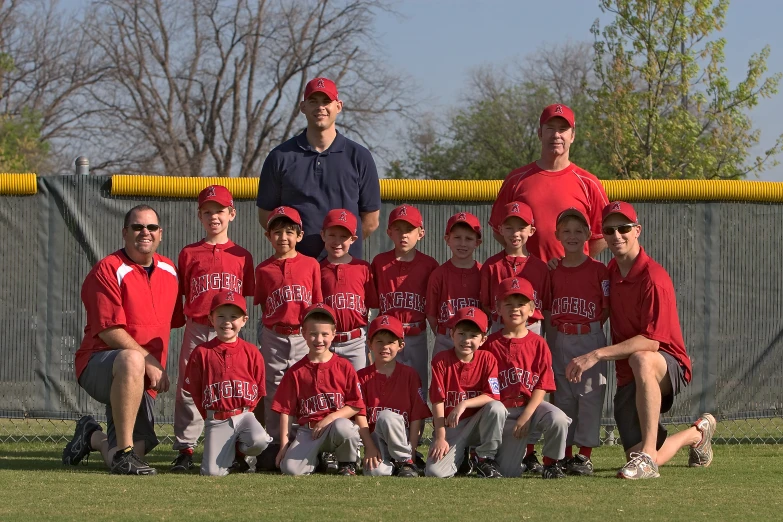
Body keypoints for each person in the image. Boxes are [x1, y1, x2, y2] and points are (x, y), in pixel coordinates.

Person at [565, 201, 716, 479]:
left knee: (642, 357)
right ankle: (696, 434)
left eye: (623, 228)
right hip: (629, 374)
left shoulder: (653, 278)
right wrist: (559, 264)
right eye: (609, 230)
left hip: (666, 364)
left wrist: (596, 354)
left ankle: (647, 456)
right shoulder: (609, 271)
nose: (616, 235)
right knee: (635, 457)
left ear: (638, 230)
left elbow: (651, 342)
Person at [62, 205, 184, 475]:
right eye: (138, 227)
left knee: (120, 454)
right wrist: (149, 359)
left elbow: (173, 323)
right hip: (99, 362)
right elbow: (108, 331)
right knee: (131, 358)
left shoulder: (170, 271)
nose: (145, 232)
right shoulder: (108, 269)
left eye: (151, 227)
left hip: (143, 377)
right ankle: (126, 454)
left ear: (160, 234)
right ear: (125, 233)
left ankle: (92, 436)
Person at [171, 185, 255, 473]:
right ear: (199, 216)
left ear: (232, 213)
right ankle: (185, 449)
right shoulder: (189, 253)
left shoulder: (242, 256)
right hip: (198, 327)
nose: (213, 217)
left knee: (233, 388)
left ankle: (238, 450)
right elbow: (181, 294)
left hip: (231, 330)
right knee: (187, 388)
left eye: (219, 211)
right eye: (207, 212)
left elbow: (247, 299)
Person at [256, 77, 381, 260]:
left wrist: (337, 248)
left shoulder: (360, 156)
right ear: (303, 107)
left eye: (326, 101)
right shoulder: (280, 156)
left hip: (344, 269)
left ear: (338, 106)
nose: (320, 107)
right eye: (313, 101)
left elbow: (370, 221)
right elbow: (266, 216)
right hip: (296, 271)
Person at [488, 104, 609, 263]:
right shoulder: (516, 179)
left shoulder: (589, 182)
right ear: (540, 133)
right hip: (527, 278)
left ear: (572, 136)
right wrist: (525, 259)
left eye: (563, 129)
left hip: (572, 278)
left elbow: (603, 235)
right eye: (550, 128)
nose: (556, 135)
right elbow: (499, 230)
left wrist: (574, 261)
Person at [253, 205, 322, 470]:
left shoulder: (311, 264)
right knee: (273, 389)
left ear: (300, 235)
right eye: (277, 232)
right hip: (274, 334)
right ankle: (273, 442)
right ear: (268, 236)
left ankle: (303, 440)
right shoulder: (264, 269)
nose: (283, 237)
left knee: (307, 388)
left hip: (302, 334)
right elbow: (263, 306)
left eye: (289, 232)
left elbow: (316, 304)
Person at [483, 277, 571, 479]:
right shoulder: (489, 344)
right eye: (508, 304)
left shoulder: (539, 343)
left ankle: (551, 464)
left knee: (558, 418)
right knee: (507, 472)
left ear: (532, 310)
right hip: (503, 412)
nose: (515, 309)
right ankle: (488, 458)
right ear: (498, 308)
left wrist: (526, 415)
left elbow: (542, 385)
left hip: (531, 406)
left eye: (521, 304)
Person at [549, 208, 610, 476]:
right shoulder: (552, 270)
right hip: (561, 337)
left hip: (590, 337)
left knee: (589, 397)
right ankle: (566, 454)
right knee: (563, 398)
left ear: (588, 234)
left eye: (578, 230)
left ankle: (584, 456)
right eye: (566, 230)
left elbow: (607, 307)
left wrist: (592, 331)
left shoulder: (600, 271)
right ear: (557, 235)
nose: (572, 235)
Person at [272, 304, 366, 476]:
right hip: (309, 431)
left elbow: (355, 405)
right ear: (304, 334)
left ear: (333, 334)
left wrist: (329, 418)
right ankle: (319, 459)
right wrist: (284, 445)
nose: (319, 340)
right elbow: (286, 411)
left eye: (324, 334)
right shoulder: (296, 371)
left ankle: (347, 462)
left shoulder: (344, 366)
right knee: (290, 469)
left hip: (334, 427)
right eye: (313, 334)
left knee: (344, 426)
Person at [184, 291, 271, 476]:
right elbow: (196, 391)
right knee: (213, 473)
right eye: (221, 316)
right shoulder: (201, 352)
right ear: (211, 319)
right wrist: (208, 416)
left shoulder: (252, 352)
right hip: (217, 418)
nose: (227, 322)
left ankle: (240, 451)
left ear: (244, 320)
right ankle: (232, 457)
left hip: (244, 415)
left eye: (234, 317)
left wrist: (247, 412)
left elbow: (259, 390)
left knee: (260, 441)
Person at [426, 307, 507, 479]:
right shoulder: (441, 360)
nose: (466, 340)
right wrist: (441, 437)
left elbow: (493, 395)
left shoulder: (487, 359)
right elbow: (437, 401)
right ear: (452, 334)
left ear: (483, 339)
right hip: (451, 427)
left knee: (497, 408)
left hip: (478, 423)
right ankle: (463, 457)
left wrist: (463, 404)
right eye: (461, 333)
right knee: (435, 472)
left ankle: (484, 457)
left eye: (473, 335)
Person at [371, 204, 439, 391]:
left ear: (421, 233)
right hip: (387, 336)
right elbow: (372, 302)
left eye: (409, 229)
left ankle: (415, 421)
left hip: (415, 334)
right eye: (398, 229)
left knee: (417, 386)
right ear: (389, 232)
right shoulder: (379, 262)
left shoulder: (430, 265)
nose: (404, 235)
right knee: (385, 385)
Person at [356, 315, 432, 477]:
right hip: (376, 439)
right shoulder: (360, 377)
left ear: (401, 345)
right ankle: (397, 465)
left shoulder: (410, 375)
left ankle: (405, 461)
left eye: (391, 342)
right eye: (379, 342)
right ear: (370, 344)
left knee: (387, 417)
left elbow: (416, 416)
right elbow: (360, 414)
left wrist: (411, 450)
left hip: (401, 435)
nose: (385, 347)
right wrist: (369, 447)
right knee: (376, 472)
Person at [320, 208, 378, 371]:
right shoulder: (317, 269)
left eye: (344, 236)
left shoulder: (363, 267)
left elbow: (372, 306)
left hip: (356, 341)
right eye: (332, 235)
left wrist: (369, 345)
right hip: (326, 342)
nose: (337, 241)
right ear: (323, 235)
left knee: (358, 389)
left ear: (353, 239)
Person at [480, 202, 551, 335]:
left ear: (532, 231)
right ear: (500, 229)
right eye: (509, 228)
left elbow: (546, 307)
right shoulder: (491, 266)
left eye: (521, 228)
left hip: (532, 326)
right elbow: (485, 304)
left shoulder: (541, 268)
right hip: (500, 325)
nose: (515, 233)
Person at [426, 211, 483, 357]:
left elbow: (488, 310)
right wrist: (445, 334)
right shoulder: (439, 274)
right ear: (447, 239)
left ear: (477, 242)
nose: (462, 243)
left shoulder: (483, 273)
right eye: (457, 237)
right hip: (445, 337)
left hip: (473, 338)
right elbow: (431, 314)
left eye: (469, 238)